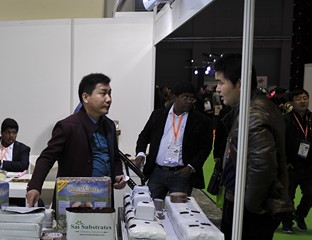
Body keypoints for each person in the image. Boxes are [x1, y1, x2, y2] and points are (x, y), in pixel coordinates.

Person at [215, 53, 292, 240]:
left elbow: (261, 167)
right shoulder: (255, 108)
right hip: (250, 208)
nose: (217, 89)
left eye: (221, 82)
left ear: (239, 83)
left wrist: (247, 208)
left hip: (250, 212)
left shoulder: (253, 114)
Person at [26, 73, 127, 207]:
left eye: (110, 94)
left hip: (103, 200)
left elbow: (114, 158)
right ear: (85, 97)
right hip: (74, 200)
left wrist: (118, 174)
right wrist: (35, 186)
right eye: (103, 93)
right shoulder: (67, 126)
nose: (108, 99)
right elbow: (47, 157)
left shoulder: (109, 126)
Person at [133, 81, 213, 200]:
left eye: (192, 98)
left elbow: (205, 147)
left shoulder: (201, 120)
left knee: (179, 208)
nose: (189, 101)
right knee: (150, 205)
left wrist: (191, 167)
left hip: (181, 174)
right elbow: (144, 136)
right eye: (185, 97)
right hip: (157, 172)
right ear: (175, 98)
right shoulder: (158, 115)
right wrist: (140, 153)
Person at [282, 88, 311, 233]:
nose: (302, 101)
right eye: (298, 98)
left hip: (309, 165)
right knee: (288, 196)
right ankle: (287, 221)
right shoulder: (286, 119)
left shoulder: (311, 118)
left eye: (305, 98)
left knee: (310, 193)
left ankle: (300, 215)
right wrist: (285, 161)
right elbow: (280, 142)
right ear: (292, 102)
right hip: (291, 165)